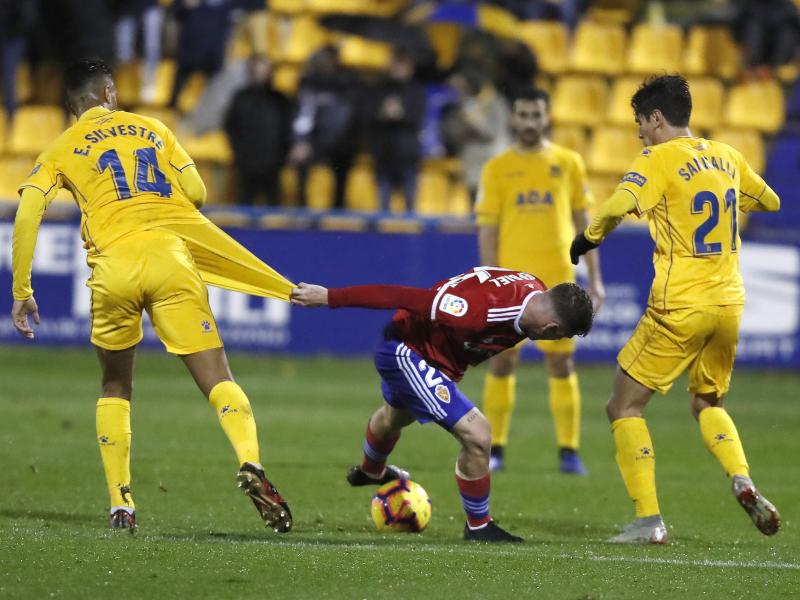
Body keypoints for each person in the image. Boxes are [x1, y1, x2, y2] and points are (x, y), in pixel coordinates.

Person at [10, 58, 294, 534]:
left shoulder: (61, 147)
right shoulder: (153, 128)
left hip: (113, 268)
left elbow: (27, 212)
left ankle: (121, 503)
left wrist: (22, 290)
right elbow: (197, 191)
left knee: (116, 386)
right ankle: (251, 462)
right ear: (110, 94)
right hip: (169, 259)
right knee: (217, 376)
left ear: (71, 106)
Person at [570, 74, 782, 544]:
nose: (639, 132)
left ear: (657, 118)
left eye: (640, 122)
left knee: (622, 405)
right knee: (707, 401)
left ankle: (649, 522)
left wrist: (587, 239)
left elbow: (618, 204)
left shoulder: (657, 158)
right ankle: (740, 476)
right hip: (728, 303)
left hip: (680, 304)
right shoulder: (726, 154)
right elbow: (769, 200)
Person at [291, 267, 594, 542]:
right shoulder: (477, 310)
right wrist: (330, 296)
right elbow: (401, 296)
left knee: (395, 417)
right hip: (406, 351)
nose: (553, 341)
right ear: (552, 328)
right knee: (479, 435)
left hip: (433, 356)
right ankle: (479, 526)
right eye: (559, 336)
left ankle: (371, 470)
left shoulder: (534, 285)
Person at [476, 88, 604, 475]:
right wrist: (488, 280)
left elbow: (586, 225)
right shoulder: (497, 168)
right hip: (511, 286)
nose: (530, 122)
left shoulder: (568, 162)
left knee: (561, 364)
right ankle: (494, 447)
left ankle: (569, 451)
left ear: (547, 118)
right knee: (501, 363)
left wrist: (595, 281)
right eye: (524, 115)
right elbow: (488, 228)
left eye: (537, 115)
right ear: (513, 119)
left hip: (559, 281)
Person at [224, 54, 293, 206]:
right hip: (246, 162)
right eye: (257, 68)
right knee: (244, 205)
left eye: (264, 68)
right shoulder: (241, 97)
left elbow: (288, 129)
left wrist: (283, 154)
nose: (261, 72)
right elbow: (231, 126)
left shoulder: (280, 99)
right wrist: (238, 152)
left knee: (273, 209)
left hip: (273, 162)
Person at [363, 49, 426, 213]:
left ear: (410, 68)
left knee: (410, 202)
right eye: (395, 64)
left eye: (402, 65)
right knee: (383, 203)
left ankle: (411, 236)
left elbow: (418, 118)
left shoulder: (416, 91)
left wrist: (400, 114)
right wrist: (382, 113)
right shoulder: (379, 89)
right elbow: (366, 115)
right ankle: (383, 238)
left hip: (407, 152)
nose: (397, 68)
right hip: (383, 152)